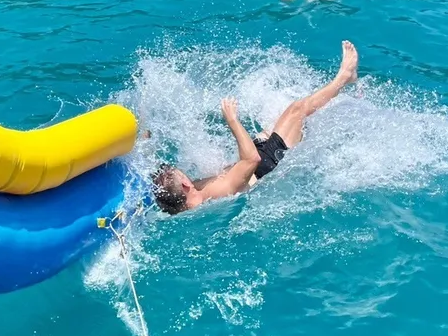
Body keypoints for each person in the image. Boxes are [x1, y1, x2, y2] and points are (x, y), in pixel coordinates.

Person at [152, 41, 358, 215]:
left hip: (254, 162)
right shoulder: (217, 191)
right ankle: (344, 77)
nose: (188, 176)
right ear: (185, 185)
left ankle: (322, 108)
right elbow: (252, 159)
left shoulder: (187, 201)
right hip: (266, 164)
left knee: (282, 118)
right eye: (183, 175)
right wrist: (232, 121)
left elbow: (165, 190)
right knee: (297, 110)